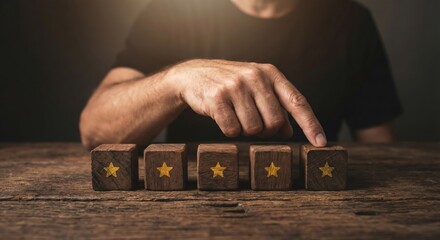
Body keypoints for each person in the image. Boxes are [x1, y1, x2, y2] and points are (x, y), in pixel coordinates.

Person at [79, 0, 402, 150]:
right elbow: (94, 129)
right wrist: (178, 80)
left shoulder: (351, 20)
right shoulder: (169, 13)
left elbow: (379, 144)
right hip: (188, 203)